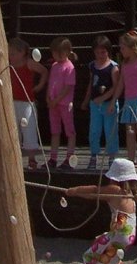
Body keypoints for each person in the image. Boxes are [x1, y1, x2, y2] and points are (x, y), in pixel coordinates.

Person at [63, 156, 137, 264]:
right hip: (129, 235)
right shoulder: (130, 193)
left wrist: (75, 191)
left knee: (90, 254)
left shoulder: (115, 190)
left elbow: (94, 190)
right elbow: (95, 195)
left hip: (119, 234)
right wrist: (77, 193)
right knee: (102, 247)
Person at [110, 30, 137, 172]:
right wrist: (113, 100)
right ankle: (131, 159)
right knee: (129, 131)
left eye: (123, 48)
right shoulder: (125, 64)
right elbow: (121, 84)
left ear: (133, 48)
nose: (121, 50)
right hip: (129, 101)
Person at [8, 37, 48, 170]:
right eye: (10, 53)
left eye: (13, 53)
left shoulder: (29, 63)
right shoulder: (8, 64)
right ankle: (15, 159)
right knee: (14, 130)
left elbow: (44, 71)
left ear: (22, 53)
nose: (11, 56)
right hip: (11, 101)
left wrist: (40, 85)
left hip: (26, 102)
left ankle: (31, 159)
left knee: (29, 128)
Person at [81, 35, 119, 170]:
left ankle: (111, 157)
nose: (100, 55)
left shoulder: (113, 67)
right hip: (95, 104)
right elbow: (91, 83)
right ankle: (93, 156)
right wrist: (86, 100)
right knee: (94, 130)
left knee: (110, 131)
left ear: (108, 51)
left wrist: (104, 99)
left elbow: (116, 87)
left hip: (108, 104)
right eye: (97, 52)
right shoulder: (92, 65)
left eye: (103, 52)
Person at [47, 37, 77, 169]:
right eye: (55, 52)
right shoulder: (54, 66)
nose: (57, 55)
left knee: (69, 130)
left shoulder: (69, 67)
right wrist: (48, 98)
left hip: (64, 103)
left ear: (67, 52)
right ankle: (53, 158)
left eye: (60, 52)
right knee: (55, 131)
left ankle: (69, 158)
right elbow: (51, 83)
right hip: (53, 104)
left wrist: (57, 100)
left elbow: (68, 87)